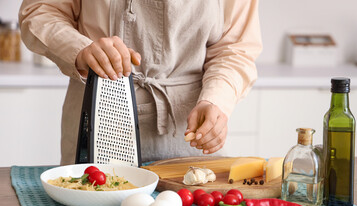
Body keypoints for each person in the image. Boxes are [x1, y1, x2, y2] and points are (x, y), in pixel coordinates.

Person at [19, 0, 262, 165]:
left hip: (190, 132)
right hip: (98, 119)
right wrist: (80, 49)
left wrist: (217, 100)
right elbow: (41, 10)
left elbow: (236, 46)